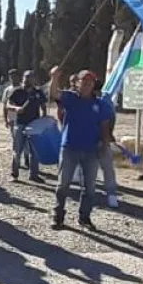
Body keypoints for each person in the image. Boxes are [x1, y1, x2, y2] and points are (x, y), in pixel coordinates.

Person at [48, 68, 114, 230]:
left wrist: (105, 145)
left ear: (93, 85)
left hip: (91, 150)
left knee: (89, 187)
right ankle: (58, 215)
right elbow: (54, 94)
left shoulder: (101, 105)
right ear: (77, 83)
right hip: (69, 148)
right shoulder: (70, 98)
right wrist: (54, 78)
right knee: (63, 184)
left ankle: (84, 218)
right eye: (83, 81)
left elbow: (105, 127)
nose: (86, 85)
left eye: (89, 82)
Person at [7, 70, 47, 183]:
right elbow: (8, 104)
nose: (27, 79)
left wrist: (43, 120)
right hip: (20, 124)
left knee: (34, 151)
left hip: (34, 125)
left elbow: (43, 107)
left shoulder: (38, 92)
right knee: (17, 150)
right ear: (23, 78)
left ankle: (33, 174)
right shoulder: (18, 91)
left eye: (30, 77)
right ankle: (14, 174)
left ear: (34, 79)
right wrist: (16, 109)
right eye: (26, 77)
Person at [94, 80, 120, 208]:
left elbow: (111, 117)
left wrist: (109, 134)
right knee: (90, 168)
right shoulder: (84, 98)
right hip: (89, 139)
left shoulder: (105, 99)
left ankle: (111, 194)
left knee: (107, 167)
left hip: (102, 138)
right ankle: (91, 194)